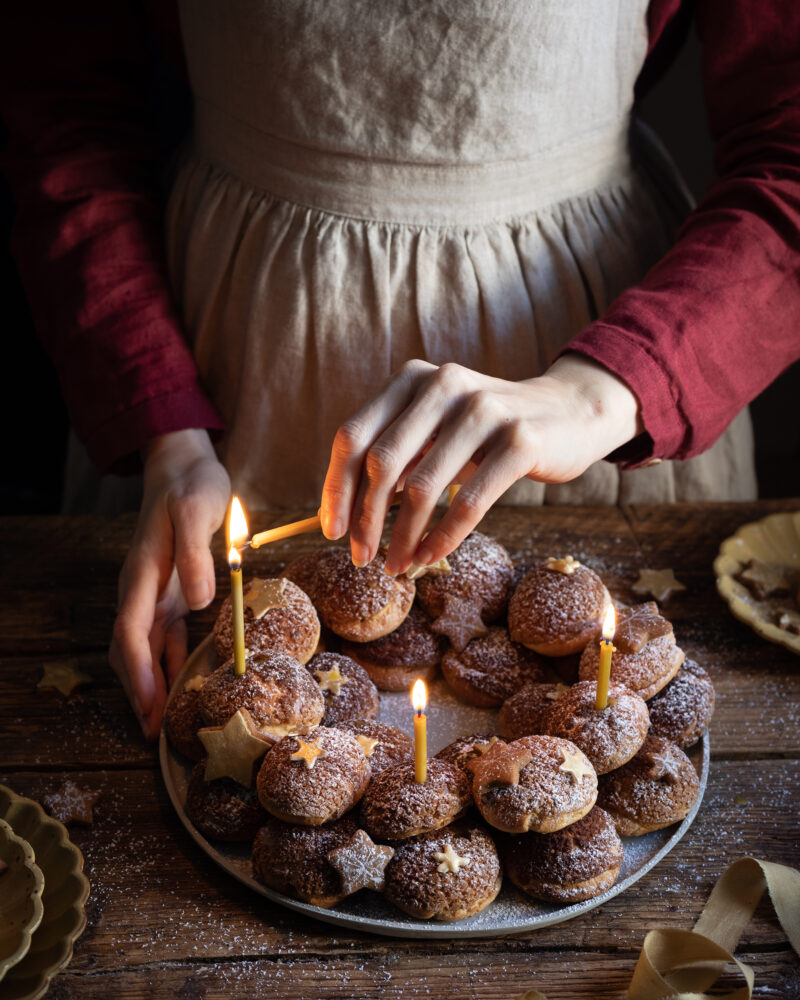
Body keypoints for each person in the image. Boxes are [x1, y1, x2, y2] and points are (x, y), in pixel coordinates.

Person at [2, 1, 799, 740]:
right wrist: (163, 430)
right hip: (226, 350)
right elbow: (63, 103)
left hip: (609, 352)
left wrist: (607, 389)